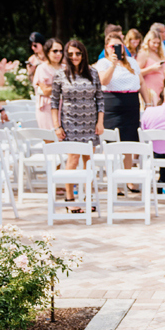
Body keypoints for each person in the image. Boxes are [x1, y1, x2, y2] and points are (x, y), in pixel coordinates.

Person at [51, 40, 104, 210]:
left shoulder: (93, 73)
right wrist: (57, 126)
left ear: (83, 54)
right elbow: (53, 103)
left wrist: (100, 121)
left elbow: (100, 99)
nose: (75, 57)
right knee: (73, 159)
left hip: (90, 123)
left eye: (78, 53)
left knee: (89, 160)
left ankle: (88, 198)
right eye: (71, 54)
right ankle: (70, 199)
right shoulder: (60, 75)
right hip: (70, 123)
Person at [96, 33, 152, 183]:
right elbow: (104, 81)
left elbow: (141, 83)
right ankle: (114, 180)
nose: (115, 49)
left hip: (131, 103)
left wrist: (148, 103)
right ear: (107, 48)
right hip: (112, 104)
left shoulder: (132, 62)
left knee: (130, 143)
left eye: (119, 46)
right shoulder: (103, 63)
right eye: (112, 46)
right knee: (112, 143)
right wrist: (113, 64)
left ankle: (129, 179)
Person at [33, 38, 64, 129]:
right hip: (46, 108)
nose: (58, 54)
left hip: (64, 108)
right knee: (49, 139)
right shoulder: (42, 68)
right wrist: (63, 84)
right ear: (47, 52)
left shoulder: (65, 68)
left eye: (61, 51)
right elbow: (45, 91)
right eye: (55, 51)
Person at [137, 29, 165, 105]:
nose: (156, 45)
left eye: (158, 43)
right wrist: (151, 68)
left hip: (160, 88)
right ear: (148, 41)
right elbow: (137, 72)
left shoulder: (159, 54)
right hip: (149, 89)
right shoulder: (143, 54)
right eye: (154, 43)